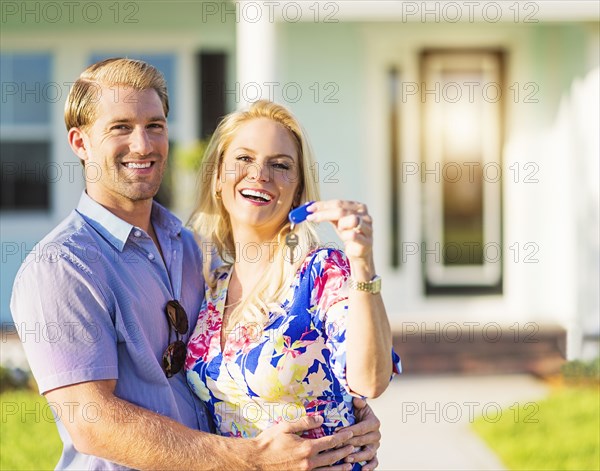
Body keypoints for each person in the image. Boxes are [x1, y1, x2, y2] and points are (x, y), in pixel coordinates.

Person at [10, 58, 383, 470]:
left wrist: (344, 416)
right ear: (80, 143)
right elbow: (92, 422)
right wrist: (251, 459)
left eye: (155, 125)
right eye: (121, 127)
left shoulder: (189, 250)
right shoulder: (62, 266)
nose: (143, 145)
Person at [185, 100, 401, 470]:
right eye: (244, 159)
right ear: (218, 178)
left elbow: (369, 381)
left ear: (298, 191)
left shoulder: (322, 272)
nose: (259, 174)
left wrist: (363, 262)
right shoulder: (209, 283)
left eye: (280, 165)